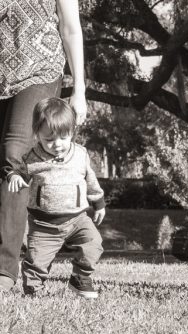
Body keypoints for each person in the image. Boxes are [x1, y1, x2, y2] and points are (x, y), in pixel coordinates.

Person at [0, 0, 87, 291]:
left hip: (39, 68)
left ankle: (4, 269)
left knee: (14, 153)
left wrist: (79, 89)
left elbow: (71, 29)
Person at [7, 97, 105, 298]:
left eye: (63, 137)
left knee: (93, 244)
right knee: (37, 260)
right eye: (49, 140)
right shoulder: (33, 158)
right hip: (44, 225)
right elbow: (18, 170)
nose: (57, 145)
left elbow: (91, 180)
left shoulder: (80, 155)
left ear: (72, 132)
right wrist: (14, 176)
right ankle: (34, 290)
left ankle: (80, 278)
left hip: (78, 219)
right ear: (37, 135)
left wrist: (98, 203)